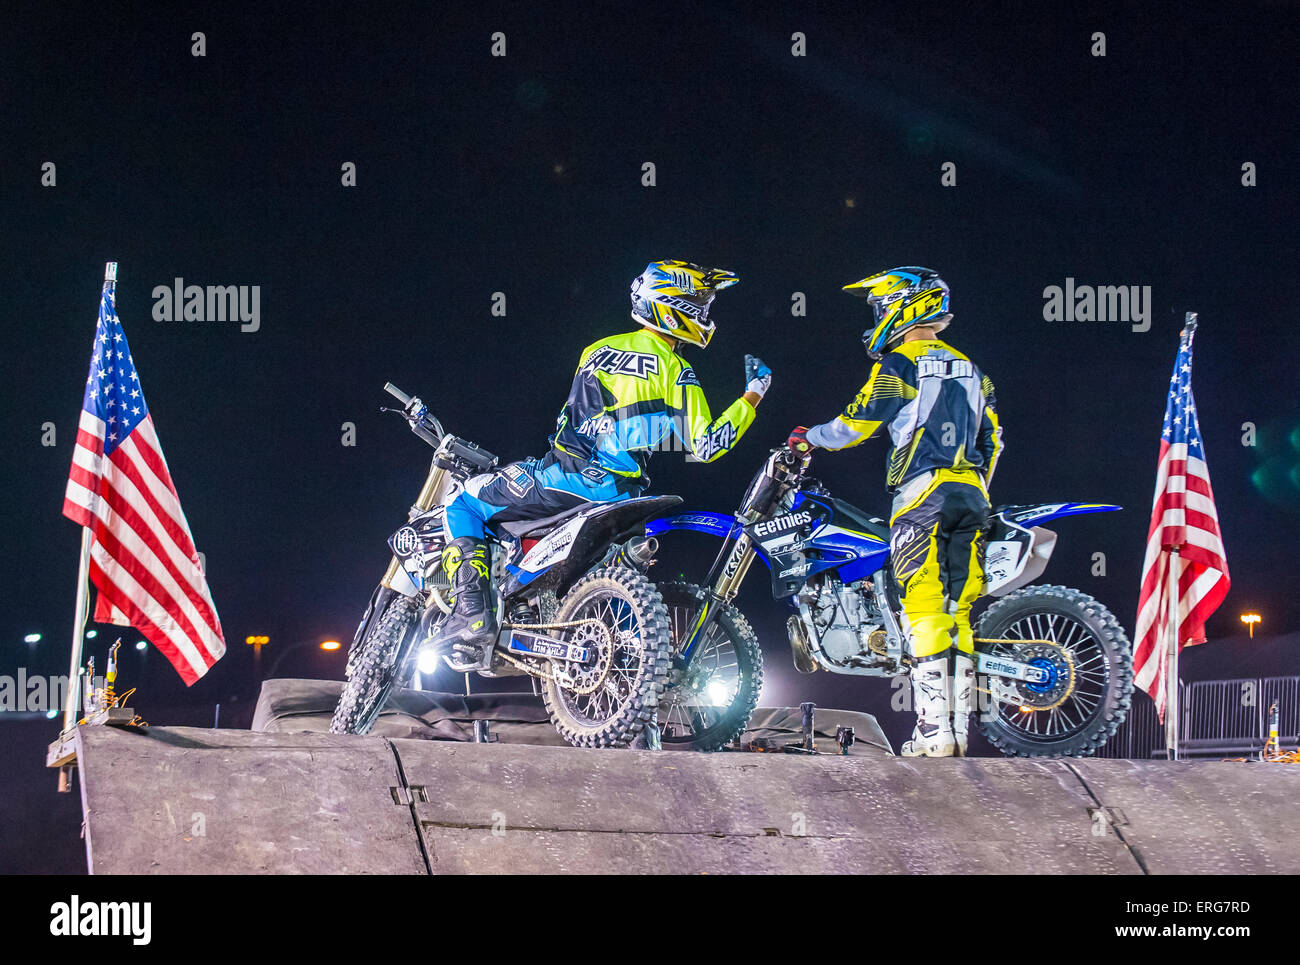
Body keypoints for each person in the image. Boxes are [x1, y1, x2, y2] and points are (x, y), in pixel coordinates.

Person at [435, 260, 772, 658]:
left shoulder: (595, 350)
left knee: (461, 502)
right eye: (700, 304)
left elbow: (576, 424)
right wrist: (754, 394)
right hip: (622, 498)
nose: (705, 314)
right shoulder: (677, 371)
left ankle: (472, 614)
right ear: (672, 304)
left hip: (564, 479)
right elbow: (708, 446)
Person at [787, 267, 1003, 757]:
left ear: (905, 305)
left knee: (923, 608)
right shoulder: (973, 370)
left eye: (883, 306)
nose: (879, 315)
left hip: (922, 495)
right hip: (972, 496)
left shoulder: (902, 363)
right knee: (958, 612)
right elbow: (994, 441)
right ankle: (957, 731)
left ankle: (933, 729)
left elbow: (855, 423)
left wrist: (809, 438)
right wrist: (971, 485)